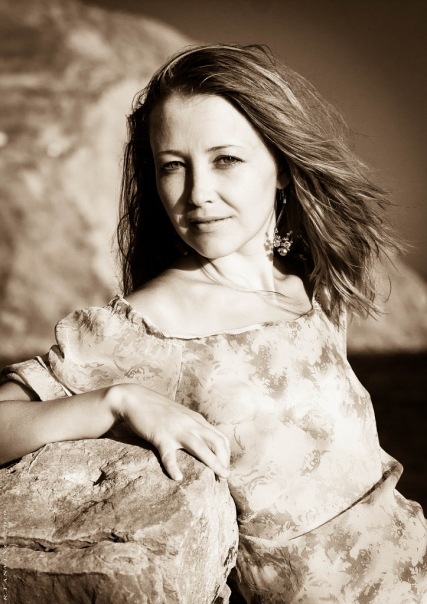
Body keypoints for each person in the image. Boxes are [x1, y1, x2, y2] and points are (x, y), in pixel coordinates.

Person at [0, 44, 426, 602]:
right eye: (173, 166)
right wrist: (118, 401)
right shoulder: (149, 322)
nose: (198, 194)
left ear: (281, 166)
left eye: (225, 160)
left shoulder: (309, 288)